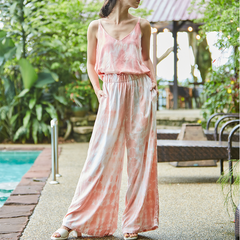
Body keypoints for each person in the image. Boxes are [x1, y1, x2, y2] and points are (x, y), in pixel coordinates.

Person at [51, 0, 159, 239]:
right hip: (111, 91)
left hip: (140, 91)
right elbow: (90, 64)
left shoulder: (143, 25)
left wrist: (154, 84)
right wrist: (98, 90)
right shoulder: (95, 27)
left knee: (140, 159)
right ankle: (71, 222)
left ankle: (133, 224)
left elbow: (145, 59)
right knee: (98, 157)